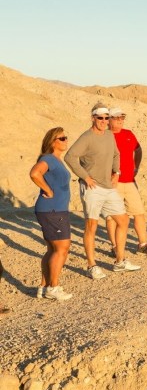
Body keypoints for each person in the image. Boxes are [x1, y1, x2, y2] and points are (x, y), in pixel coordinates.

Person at [65, 103, 141, 279]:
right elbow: (70, 156)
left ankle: (120, 261)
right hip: (92, 187)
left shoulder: (108, 135)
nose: (104, 121)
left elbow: (116, 154)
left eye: (107, 118)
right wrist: (85, 176)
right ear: (93, 118)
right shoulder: (87, 137)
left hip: (108, 186)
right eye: (100, 118)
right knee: (91, 225)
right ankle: (92, 265)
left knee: (123, 220)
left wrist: (117, 172)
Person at [105, 107, 147, 258]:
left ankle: (143, 245)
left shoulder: (128, 134)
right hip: (112, 183)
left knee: (139, 213)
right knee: (112, 217)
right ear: (109, 119)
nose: (120, 120)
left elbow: (138, 149)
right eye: (117, 118)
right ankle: (115, 247)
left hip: (129, 180)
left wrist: (136, 167)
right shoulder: (105, 136)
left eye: (122, 117)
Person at [29, 127, 74, 300]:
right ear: (52, 142)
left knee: (52, 249)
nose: (65, 140)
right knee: (62, 248)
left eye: (65, 137)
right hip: (53, 210)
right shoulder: (48, 159)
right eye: (61, 138)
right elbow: (34, 173)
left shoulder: (56, 160)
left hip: (54, 209)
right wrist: (47, 190)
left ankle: (43, 286)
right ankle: (53, 287)